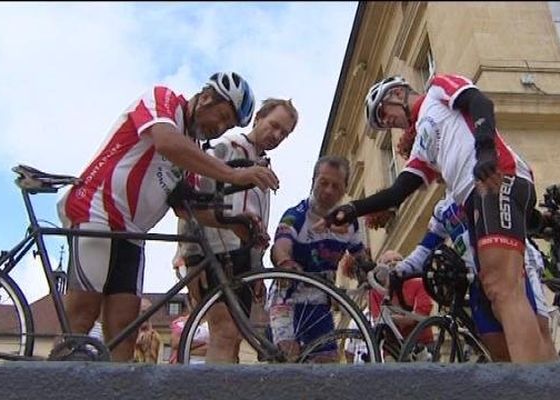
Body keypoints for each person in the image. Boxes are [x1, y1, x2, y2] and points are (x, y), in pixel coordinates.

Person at [318, 73, 556, 362]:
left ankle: (537, 384)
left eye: (383, 113)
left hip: (495, 178)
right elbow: (397, 192)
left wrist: (484, 151)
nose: (386, 123)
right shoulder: (422, 146)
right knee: (493, 303)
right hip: (472, 199)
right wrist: (351, 210)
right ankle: (529, 379)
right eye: (381, 123)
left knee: (502, 286)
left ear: (396, 93)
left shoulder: (436, 89)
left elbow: (478, 101)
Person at [56, 71, 279, 362]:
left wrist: (236, 224)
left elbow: (189, 208)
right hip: (96, 208)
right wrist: (233, 174)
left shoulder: (194, 151)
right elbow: (165, 143)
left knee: (124, 327)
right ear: (207, 98)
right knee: (82, 314)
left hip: (133, 232)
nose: (220, 128)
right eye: (222, 116)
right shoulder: (163, 101)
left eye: (228, 125)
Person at [180, 98, 299, 363]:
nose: (277, 135)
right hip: (215, 249)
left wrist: (257, 272)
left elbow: (259, 227)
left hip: (244, 261)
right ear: (258, 118)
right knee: (224, 332)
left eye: (285, 133)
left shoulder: (264, 168)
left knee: (233, 338)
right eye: (274, 125)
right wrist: (189, 254)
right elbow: (191, 195)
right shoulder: (227, 147)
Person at [395, 191, 557, 361]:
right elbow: (425, 249)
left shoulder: (477, 186)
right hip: (477, 277)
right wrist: (399, 270)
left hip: (516, 263)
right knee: (494, 345)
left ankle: (550, 382)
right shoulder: (442, 210)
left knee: (537, 333)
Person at [270, 156, 369, 362]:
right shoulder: (296, 215)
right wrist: (285, 262)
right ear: (313, 180)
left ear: (345, 188)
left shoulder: (350, 225)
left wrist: (371, 273)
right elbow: (281, 245)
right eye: (323, 183)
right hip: (287, 298)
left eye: (336, 185)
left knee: (328, 363)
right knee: (289, 358)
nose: (328, 191)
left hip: (318, 301)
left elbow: (361, 256)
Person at [133, 298, 162, 364]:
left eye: (148, 312)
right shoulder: (126, 334)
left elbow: (150, 363)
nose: (146, 315)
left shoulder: (153, 336)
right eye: (143, 312)